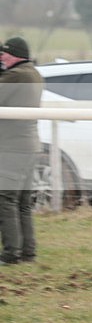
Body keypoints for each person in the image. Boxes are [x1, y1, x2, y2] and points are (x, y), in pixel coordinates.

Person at [0, 36, 44, 265]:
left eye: (4, 54)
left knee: (5, 200)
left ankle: (11, 253)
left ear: (15, 54)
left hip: (12, 148)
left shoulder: (16, 75)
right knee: (23, 203)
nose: (2, 59)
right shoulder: (33, 73)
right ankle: (28, 252)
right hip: (29, 146)